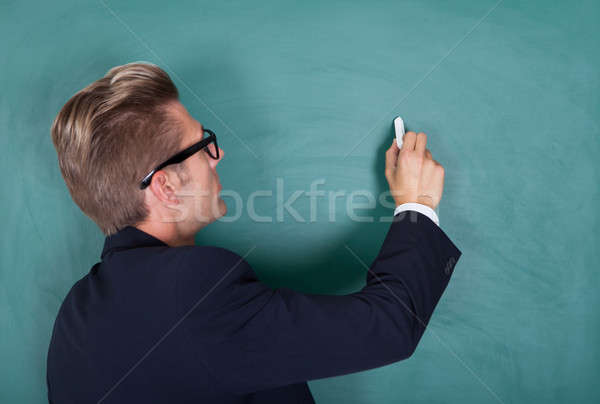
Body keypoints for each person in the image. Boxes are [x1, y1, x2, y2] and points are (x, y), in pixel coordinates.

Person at [47, 62, 461, 403]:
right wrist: (417, 204)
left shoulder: (74, 317)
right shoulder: (193, 290)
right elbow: (387, 327)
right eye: (202, 145)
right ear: (165, 187)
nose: (218, 154)